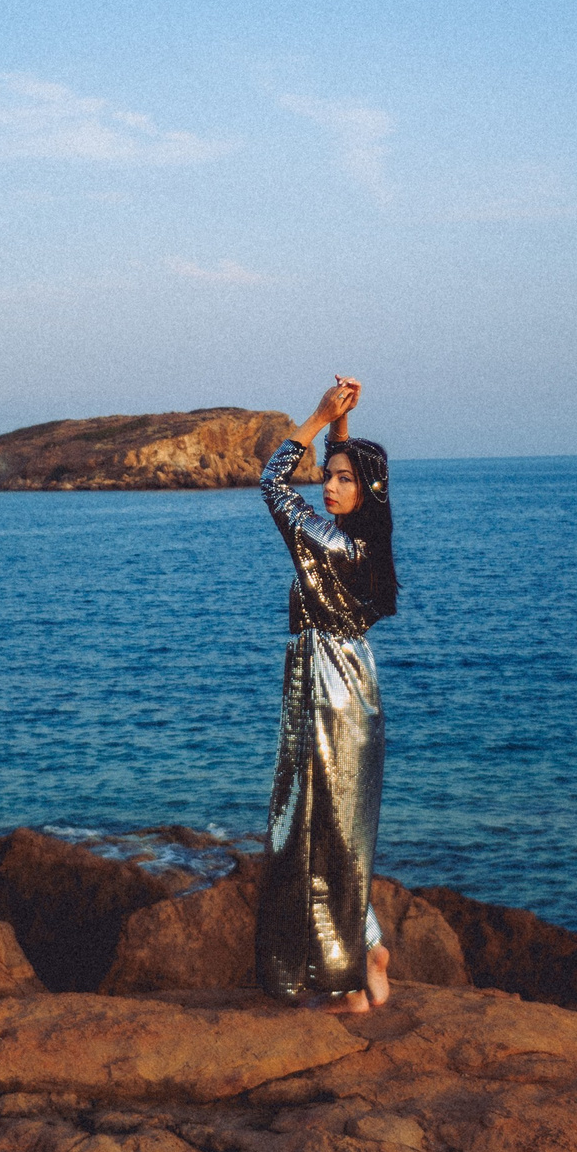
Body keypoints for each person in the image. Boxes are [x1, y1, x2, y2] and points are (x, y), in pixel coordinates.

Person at [255, 375, 399, 1012]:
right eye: (329, 477)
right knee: (343, 828)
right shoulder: (370, 543)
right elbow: (348, 484)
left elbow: (271, 483)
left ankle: (348, 975)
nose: (330, 485)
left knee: (309, 829)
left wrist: (314, 418)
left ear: (362, 491)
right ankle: (366, 951)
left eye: (343, 479)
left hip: (324, 687)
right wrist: (343, 430)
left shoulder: (328, 541)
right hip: (355, 683)